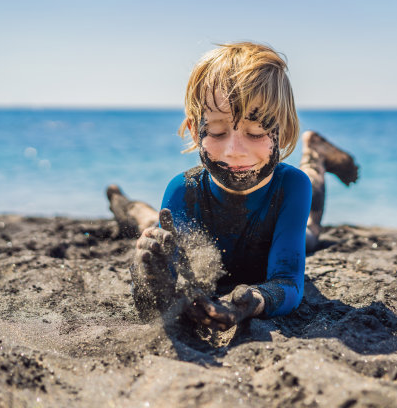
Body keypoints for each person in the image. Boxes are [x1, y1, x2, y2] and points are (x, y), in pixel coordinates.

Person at [107, 42, 358, 330]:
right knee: (150, 223)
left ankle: (315, 153)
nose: (234, 150)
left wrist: (251, 301)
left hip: (290, 220)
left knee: (310, 231)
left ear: (283, 131)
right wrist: (149, 276)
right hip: (179, 209)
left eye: (256, 132)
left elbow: (288, 282)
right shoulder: (183, 190)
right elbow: (159, 297)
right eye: (216, 131)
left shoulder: (290, 186)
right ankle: (123, 202)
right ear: (194, 130)